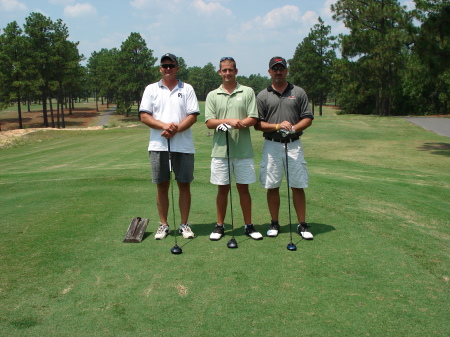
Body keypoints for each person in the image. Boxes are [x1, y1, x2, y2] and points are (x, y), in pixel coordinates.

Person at [139, 53, 200, 240]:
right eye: (164, 65)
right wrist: (165, 126)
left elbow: (192, 116)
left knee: (184, 185)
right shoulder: (151, 89)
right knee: (162, 185)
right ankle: (164, 225)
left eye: (171, 66)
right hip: (158, 145)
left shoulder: (187, 88)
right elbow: (144, 116)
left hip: (183, 146)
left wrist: (175, 129)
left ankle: (184, 224)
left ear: (177, 68)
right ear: (160, 68)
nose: (168, 69)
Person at [255, 56, 314, 239]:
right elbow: (258, 124)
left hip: (294, 144)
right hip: (272, 145)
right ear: (269, 72)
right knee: (272, 185)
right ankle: (274, 223)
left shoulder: (298, 92)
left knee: (297, 185)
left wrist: (293, 129)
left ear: (286, 71)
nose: (278, 72)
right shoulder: (263, 95)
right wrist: (278, 126)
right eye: (275, 69)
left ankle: (302, 225)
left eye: (281, 68)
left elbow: (308, 118)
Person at [205, 56, 262, 241]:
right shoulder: (213, 95)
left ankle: (248, 225)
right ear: (219, 72)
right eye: (224, 70)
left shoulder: (247, 92)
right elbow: (209, 122)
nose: (227, 73)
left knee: (243, 189)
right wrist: (228, 121)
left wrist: (238, 124)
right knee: (222, 189)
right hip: (221, 151)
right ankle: (220, 225)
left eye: (231, 70)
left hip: (243, 150)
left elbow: (252, 118)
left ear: (236, 71)